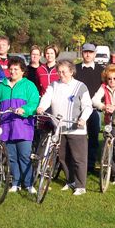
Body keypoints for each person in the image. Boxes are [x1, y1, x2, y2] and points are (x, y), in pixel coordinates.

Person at [37, 60, 93, 196]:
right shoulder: (54, 85)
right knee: (63, 157)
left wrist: (83, 118)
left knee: (78, 158)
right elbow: (46, 98)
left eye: (64, 72)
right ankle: (70, 181)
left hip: (76, 128)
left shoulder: (80, 86)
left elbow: (87, 106)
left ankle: (81, 186)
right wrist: (41, 107)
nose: (61, 74)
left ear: (71, 71)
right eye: (59, 72)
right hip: (59, 128)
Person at [0, 57, 40, 194]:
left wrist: (25, 110)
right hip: (6, 127)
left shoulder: (29, 86)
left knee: (24, 155)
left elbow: (34, 103)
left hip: (23, 127)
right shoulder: (1, 87)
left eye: (16, 69)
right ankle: (15, 182)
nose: (12, 71)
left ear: (23, 71)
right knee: (11, 157)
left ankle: (29, 183)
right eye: (11, 69)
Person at [74, 43, 104, 173]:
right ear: (82, 53)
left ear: (94, 54)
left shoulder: (101, 70)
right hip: (77, 109)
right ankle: (76, 163)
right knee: (77, 138)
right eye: (85, 52)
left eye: (90, 52)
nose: (88, 54)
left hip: (94, 109)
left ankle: (90, 164)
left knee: (93, 137)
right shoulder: (75, 69)